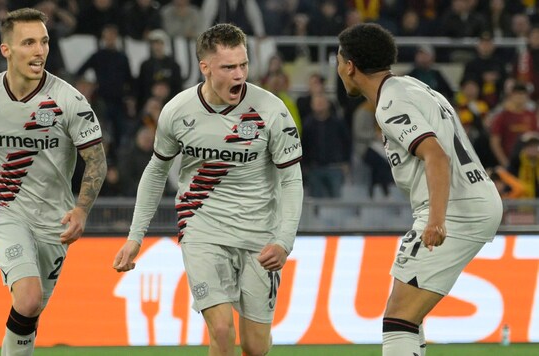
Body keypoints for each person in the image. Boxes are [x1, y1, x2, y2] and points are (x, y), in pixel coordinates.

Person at [113, 23, 303, 356]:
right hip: (202, 229)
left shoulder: (272, 110)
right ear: (205, 67)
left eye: (243, 65)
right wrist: (134, 237)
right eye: (229, 67)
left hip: (259, 234)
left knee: (256, 347)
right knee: (220, 329)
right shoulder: (177, 110)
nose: (239, 74)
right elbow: (156, 172)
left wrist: (284, 240)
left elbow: (291, 180)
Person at [0, 8, 107, 355]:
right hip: (4, 209)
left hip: (54, 221)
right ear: (7, 50)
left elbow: (96, 159)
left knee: (30, 310)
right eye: (29, 42)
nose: (39, 50)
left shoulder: (69, 101)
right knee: (29, 297)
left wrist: (80, 210)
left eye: (44, 41)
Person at [336, 23, 502, 355]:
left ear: (350, 66)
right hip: (470, 198)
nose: (338, 69)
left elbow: (436, 156)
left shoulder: (390, 104)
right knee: (409, 314)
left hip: (454, 209)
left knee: (398, 318)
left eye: (339, 61)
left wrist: (436, 220)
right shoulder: (413, 87)